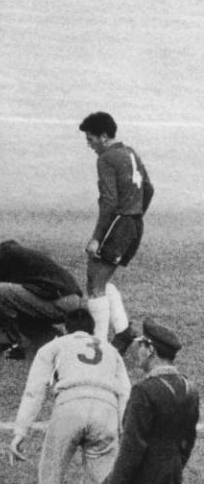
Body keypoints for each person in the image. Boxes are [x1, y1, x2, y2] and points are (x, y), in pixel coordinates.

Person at [66, 319, 199, 484]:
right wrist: (171, 468)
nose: (136, 352)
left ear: (150, 349)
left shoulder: (145, 391)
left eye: (140, 346)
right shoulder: (189, 389)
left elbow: (132, 449)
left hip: (140, 475)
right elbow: (187, 441)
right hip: (169, 476)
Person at [7, 308, 131, 484]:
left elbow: (34, 391)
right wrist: (123, 432)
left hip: (69, 406)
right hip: (106, 410)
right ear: (93, 329)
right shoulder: (111, 351)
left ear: (66, 328)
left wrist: (20, 432)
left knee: (49, 482)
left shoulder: (55, 346)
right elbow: (125, 393)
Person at [79, 112, 153, 351]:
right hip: (134, 224)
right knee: (99, 279)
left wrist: (96, 238)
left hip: (118, 224)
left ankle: (97, 346)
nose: (88, 144)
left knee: (95, 284)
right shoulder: (130, 152)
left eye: (90, 139)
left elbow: (109, 202)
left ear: (103, 136)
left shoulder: (106, 158)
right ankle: (122, 332)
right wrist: (136, 213)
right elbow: (149, 188)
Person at [0, 238, 83, 360]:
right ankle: (54, 340)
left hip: (62, 300)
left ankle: (6, 346)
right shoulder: (10, 253)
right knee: (10, 302)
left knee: (0, 291)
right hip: (69, 300)